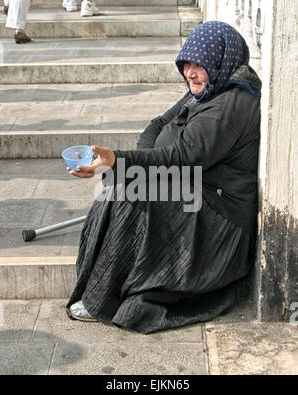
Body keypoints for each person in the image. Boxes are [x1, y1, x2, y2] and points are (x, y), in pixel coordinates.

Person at [66, 21, 262, 334]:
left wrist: (121, 161)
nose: (190, 72)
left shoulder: (230, 106)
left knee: (130, 193)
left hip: (220, 220)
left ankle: (106, 296)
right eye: (186, 64)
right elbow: (157, 125)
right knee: (123, 184)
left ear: (220, 62)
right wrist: (134, 167)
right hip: (195, 188)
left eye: (200, 65)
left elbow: (181, 158)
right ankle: (103, 287)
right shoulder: (207, 91)